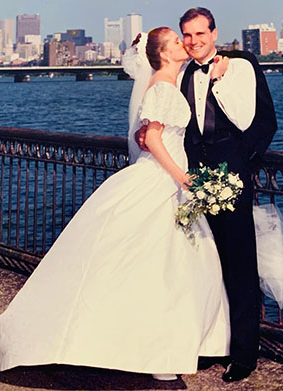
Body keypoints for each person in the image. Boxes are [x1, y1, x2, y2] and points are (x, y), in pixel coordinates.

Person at [0, 27, 230, 382]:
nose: (185, 45)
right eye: (177, 42)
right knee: (157, 264)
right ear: (164, 54)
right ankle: (155, 349)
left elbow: (152, 135)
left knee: (173, 262)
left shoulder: (169, 83)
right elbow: (152, 137)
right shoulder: (163, 87)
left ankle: (170, 346)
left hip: (169, 178)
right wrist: (181, 177)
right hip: (163, 180)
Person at [135, 7, 277, 382]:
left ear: (214, 33)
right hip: (191, 186)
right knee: (203, 266)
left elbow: (264, 121)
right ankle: (210, 345)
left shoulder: (242, 63)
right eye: (188, 36)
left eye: (201, 34)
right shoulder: (180, 75)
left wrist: (241, 166)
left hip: (232, 180)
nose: (195, 41)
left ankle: (245, 355)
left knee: (241, 265)